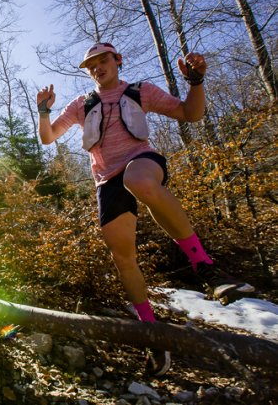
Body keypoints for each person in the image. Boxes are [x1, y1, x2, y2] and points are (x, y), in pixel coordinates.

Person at [35, 42, 254, 376]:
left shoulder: (141, 91)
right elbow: (49, 137)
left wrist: (196, 83)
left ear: (117, 60)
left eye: (103, 61)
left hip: (141, 161)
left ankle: (206, 267)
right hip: (106, 180)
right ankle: (151, 332)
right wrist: (43, 111)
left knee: (138, 180)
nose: (97, 68)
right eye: (91, 65)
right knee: (122, 256)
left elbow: (190, 114)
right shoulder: (81, 104)